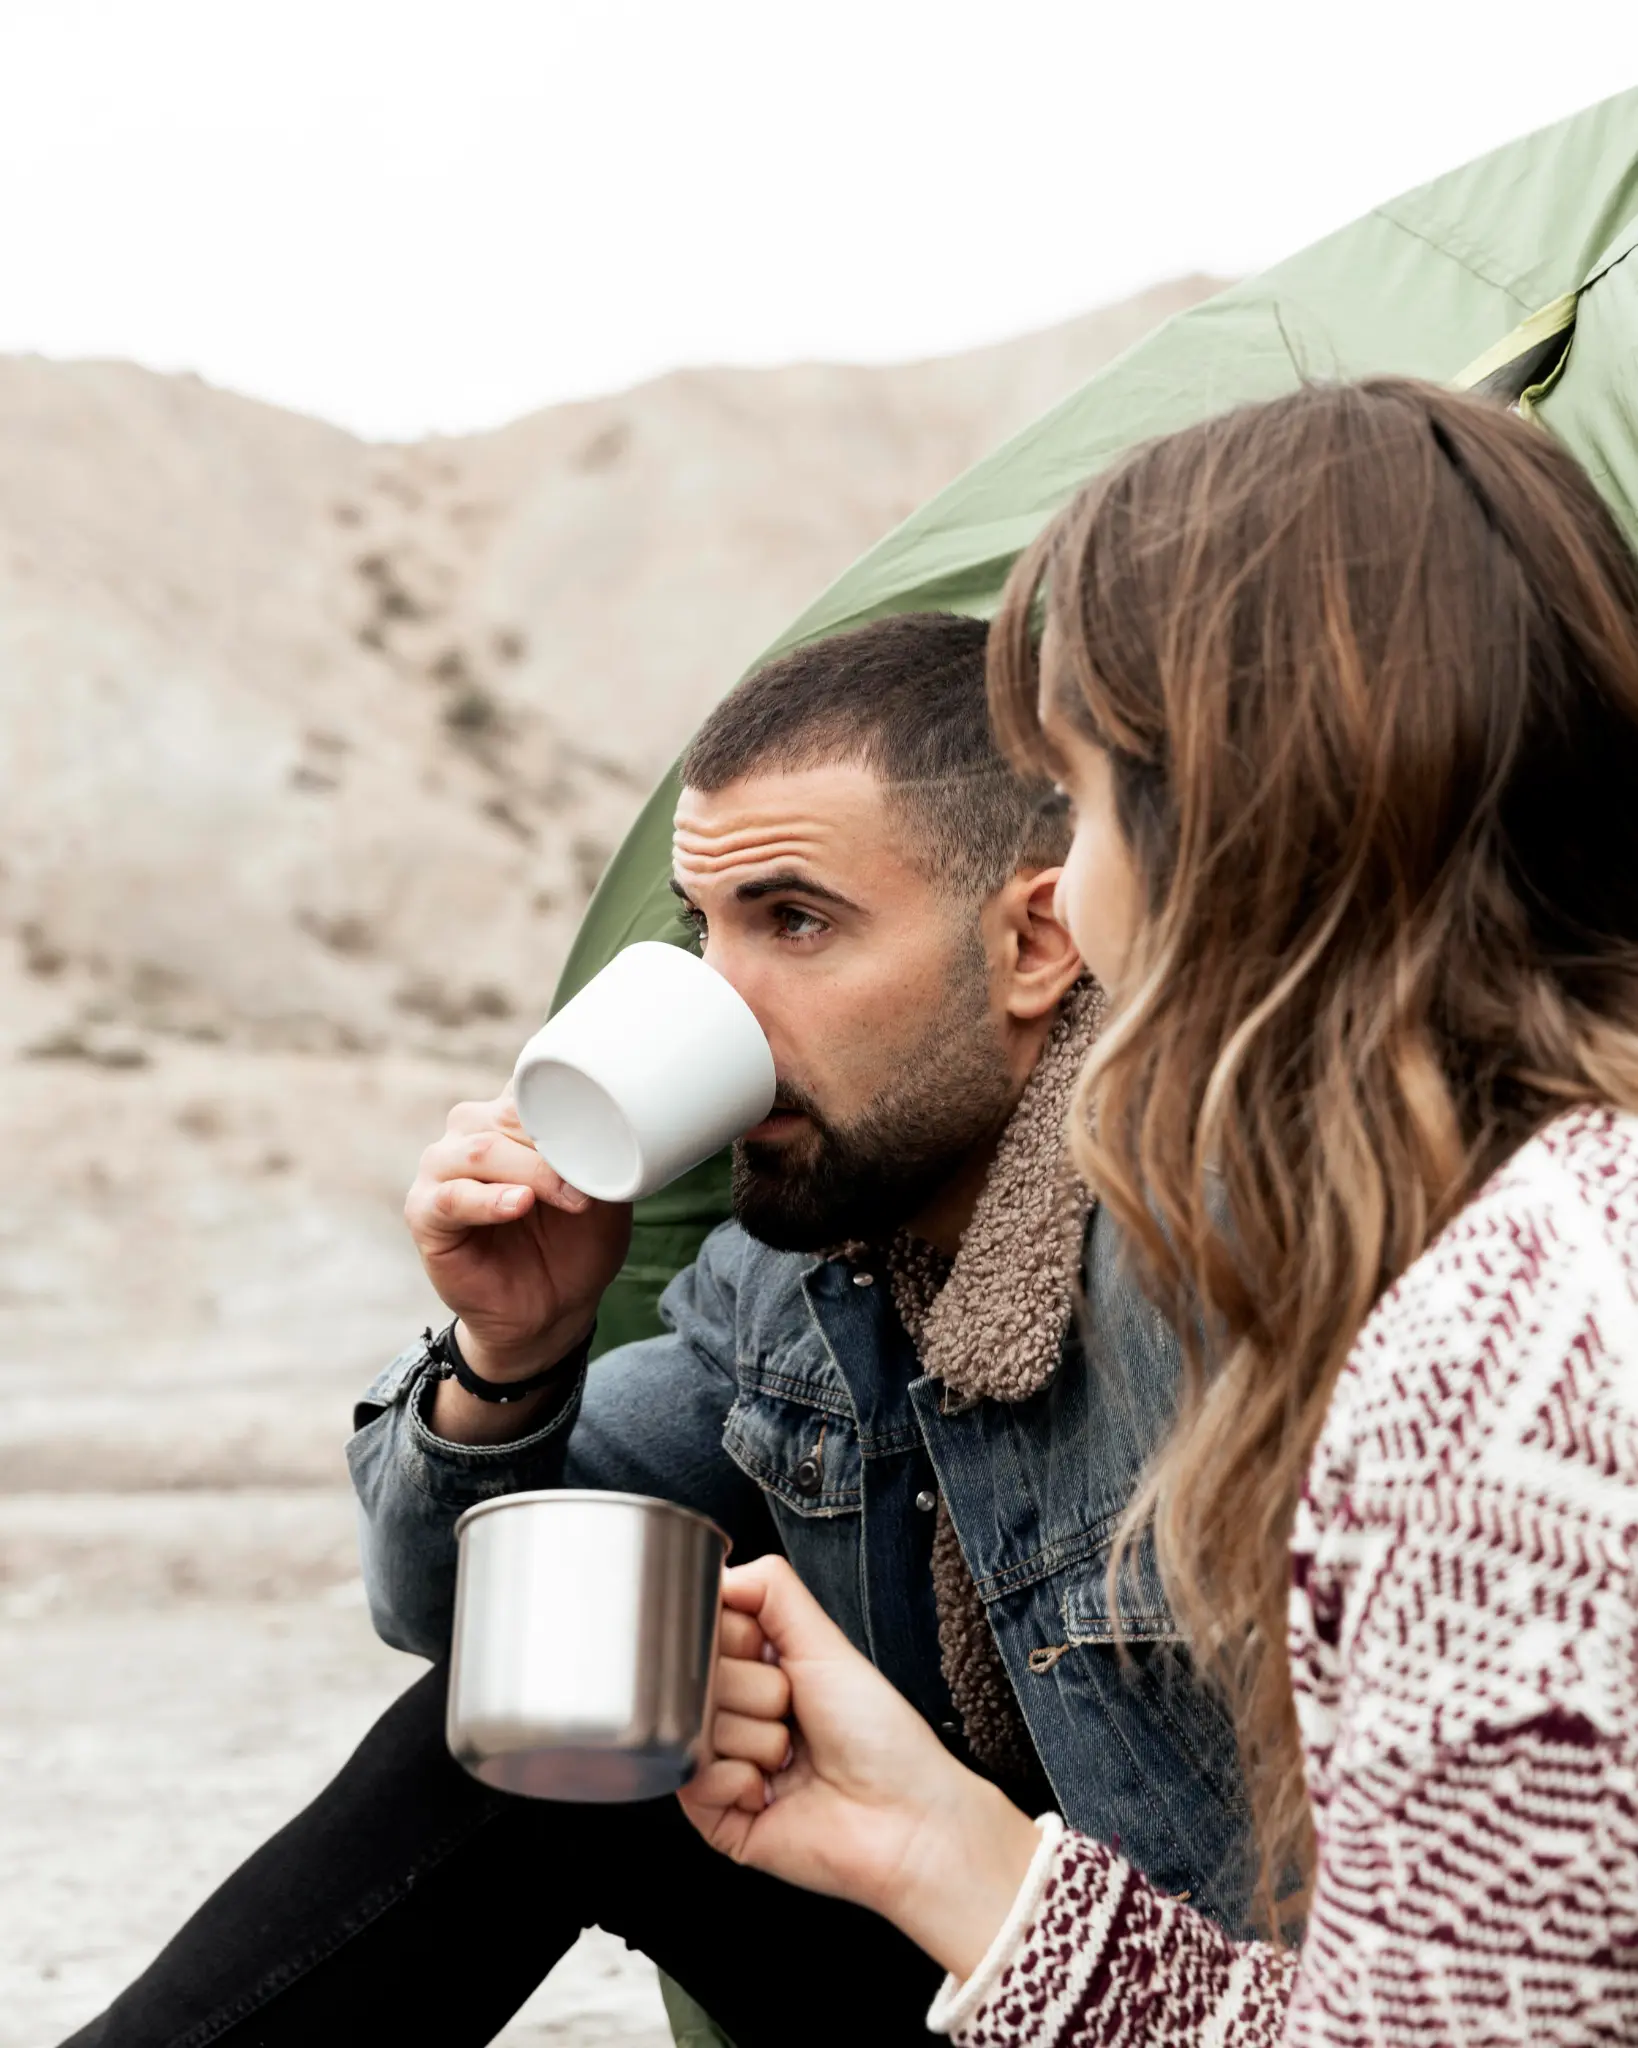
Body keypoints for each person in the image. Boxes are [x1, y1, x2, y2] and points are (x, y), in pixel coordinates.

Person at [66, 613, 1252, 2048]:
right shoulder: (800, 1287)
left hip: (1244, 2015)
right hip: (959, 1986)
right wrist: (512, 1356)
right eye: (703, 929)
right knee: (546, 1702)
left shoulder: (1238, 1278)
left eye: (793, 922)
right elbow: (455, 1625)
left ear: (1033, 941)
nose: (715, 998)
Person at [675, 379, 1638, 2045]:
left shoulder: (1510, 1355)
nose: (1078, 887)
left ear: (1224, 825)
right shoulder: (1556, 1234)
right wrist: (947, 1856)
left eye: (1085, 792)